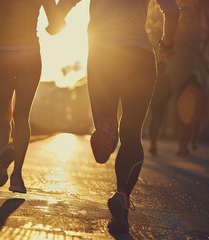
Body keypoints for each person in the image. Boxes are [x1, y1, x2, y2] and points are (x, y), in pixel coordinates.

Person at [58, 0, 180, 233]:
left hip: (104, 56)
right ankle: (122, 194)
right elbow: (173, 11)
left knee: (107, 119)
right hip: (140, 57)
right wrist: (168, 43)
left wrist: (56, 19)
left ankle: (107, 132)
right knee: (132, 133)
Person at [0, 0, 66, 193]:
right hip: (29, 55)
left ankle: (3, 149)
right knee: (21, 117)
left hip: (1, 54)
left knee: (2, 114)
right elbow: (56, 25)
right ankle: (17, 177)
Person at [175, 74, 207, 156]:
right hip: (192, 113)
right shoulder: (198, 87)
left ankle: (181, 147)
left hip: (183, 112)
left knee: (183, 130)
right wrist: (203, 112)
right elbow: (202, 101)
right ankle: (184, 147)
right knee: (188, 131)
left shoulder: (184, 86)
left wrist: (177, 111)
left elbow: (178, 99)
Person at [149, 61, 173, 156]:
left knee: (154, 120)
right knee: (157, 122)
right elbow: (170, 92)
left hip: (154, 103)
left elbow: (149, 88)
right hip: (162, 104)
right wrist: (165, 99)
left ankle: (153, 142)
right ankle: (153, 143)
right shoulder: (166, 78)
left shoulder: (155, 76)